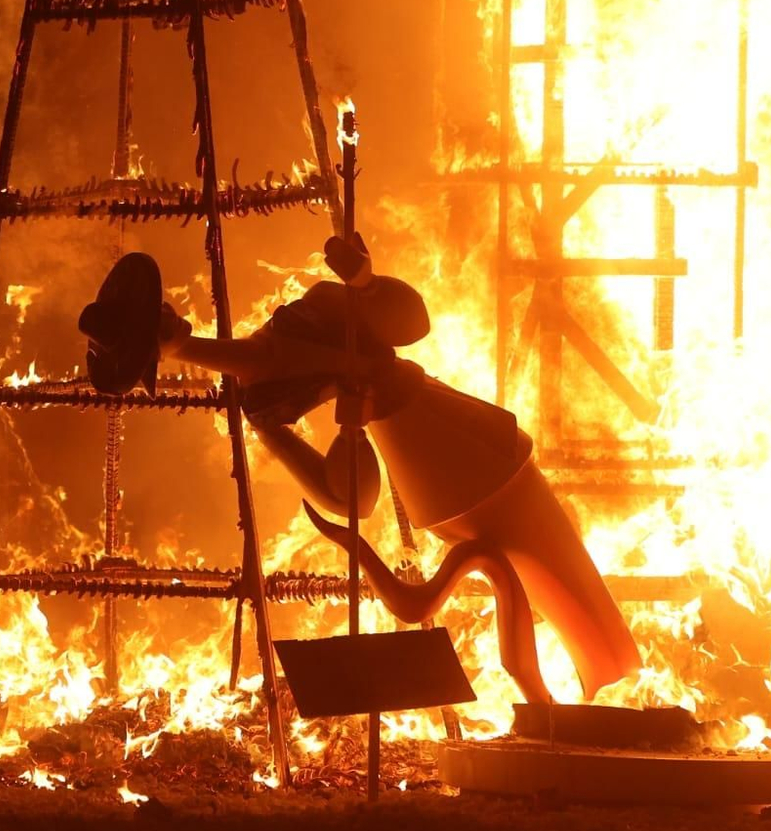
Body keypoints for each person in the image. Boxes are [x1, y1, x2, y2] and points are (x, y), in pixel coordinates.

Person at [78, 235, 640, 705]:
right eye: (151, 333)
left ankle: (613, 684)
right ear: (158, 354)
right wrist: (350, 431)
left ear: (171, 310)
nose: (164, 325)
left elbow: (410, 323)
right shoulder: (264, 406)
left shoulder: (313, 309)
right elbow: (351, 500)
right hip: (428, 472)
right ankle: (571, 700)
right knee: (512, 575)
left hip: (468, 442)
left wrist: (366, 284)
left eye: (157, 316)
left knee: (559, 576)